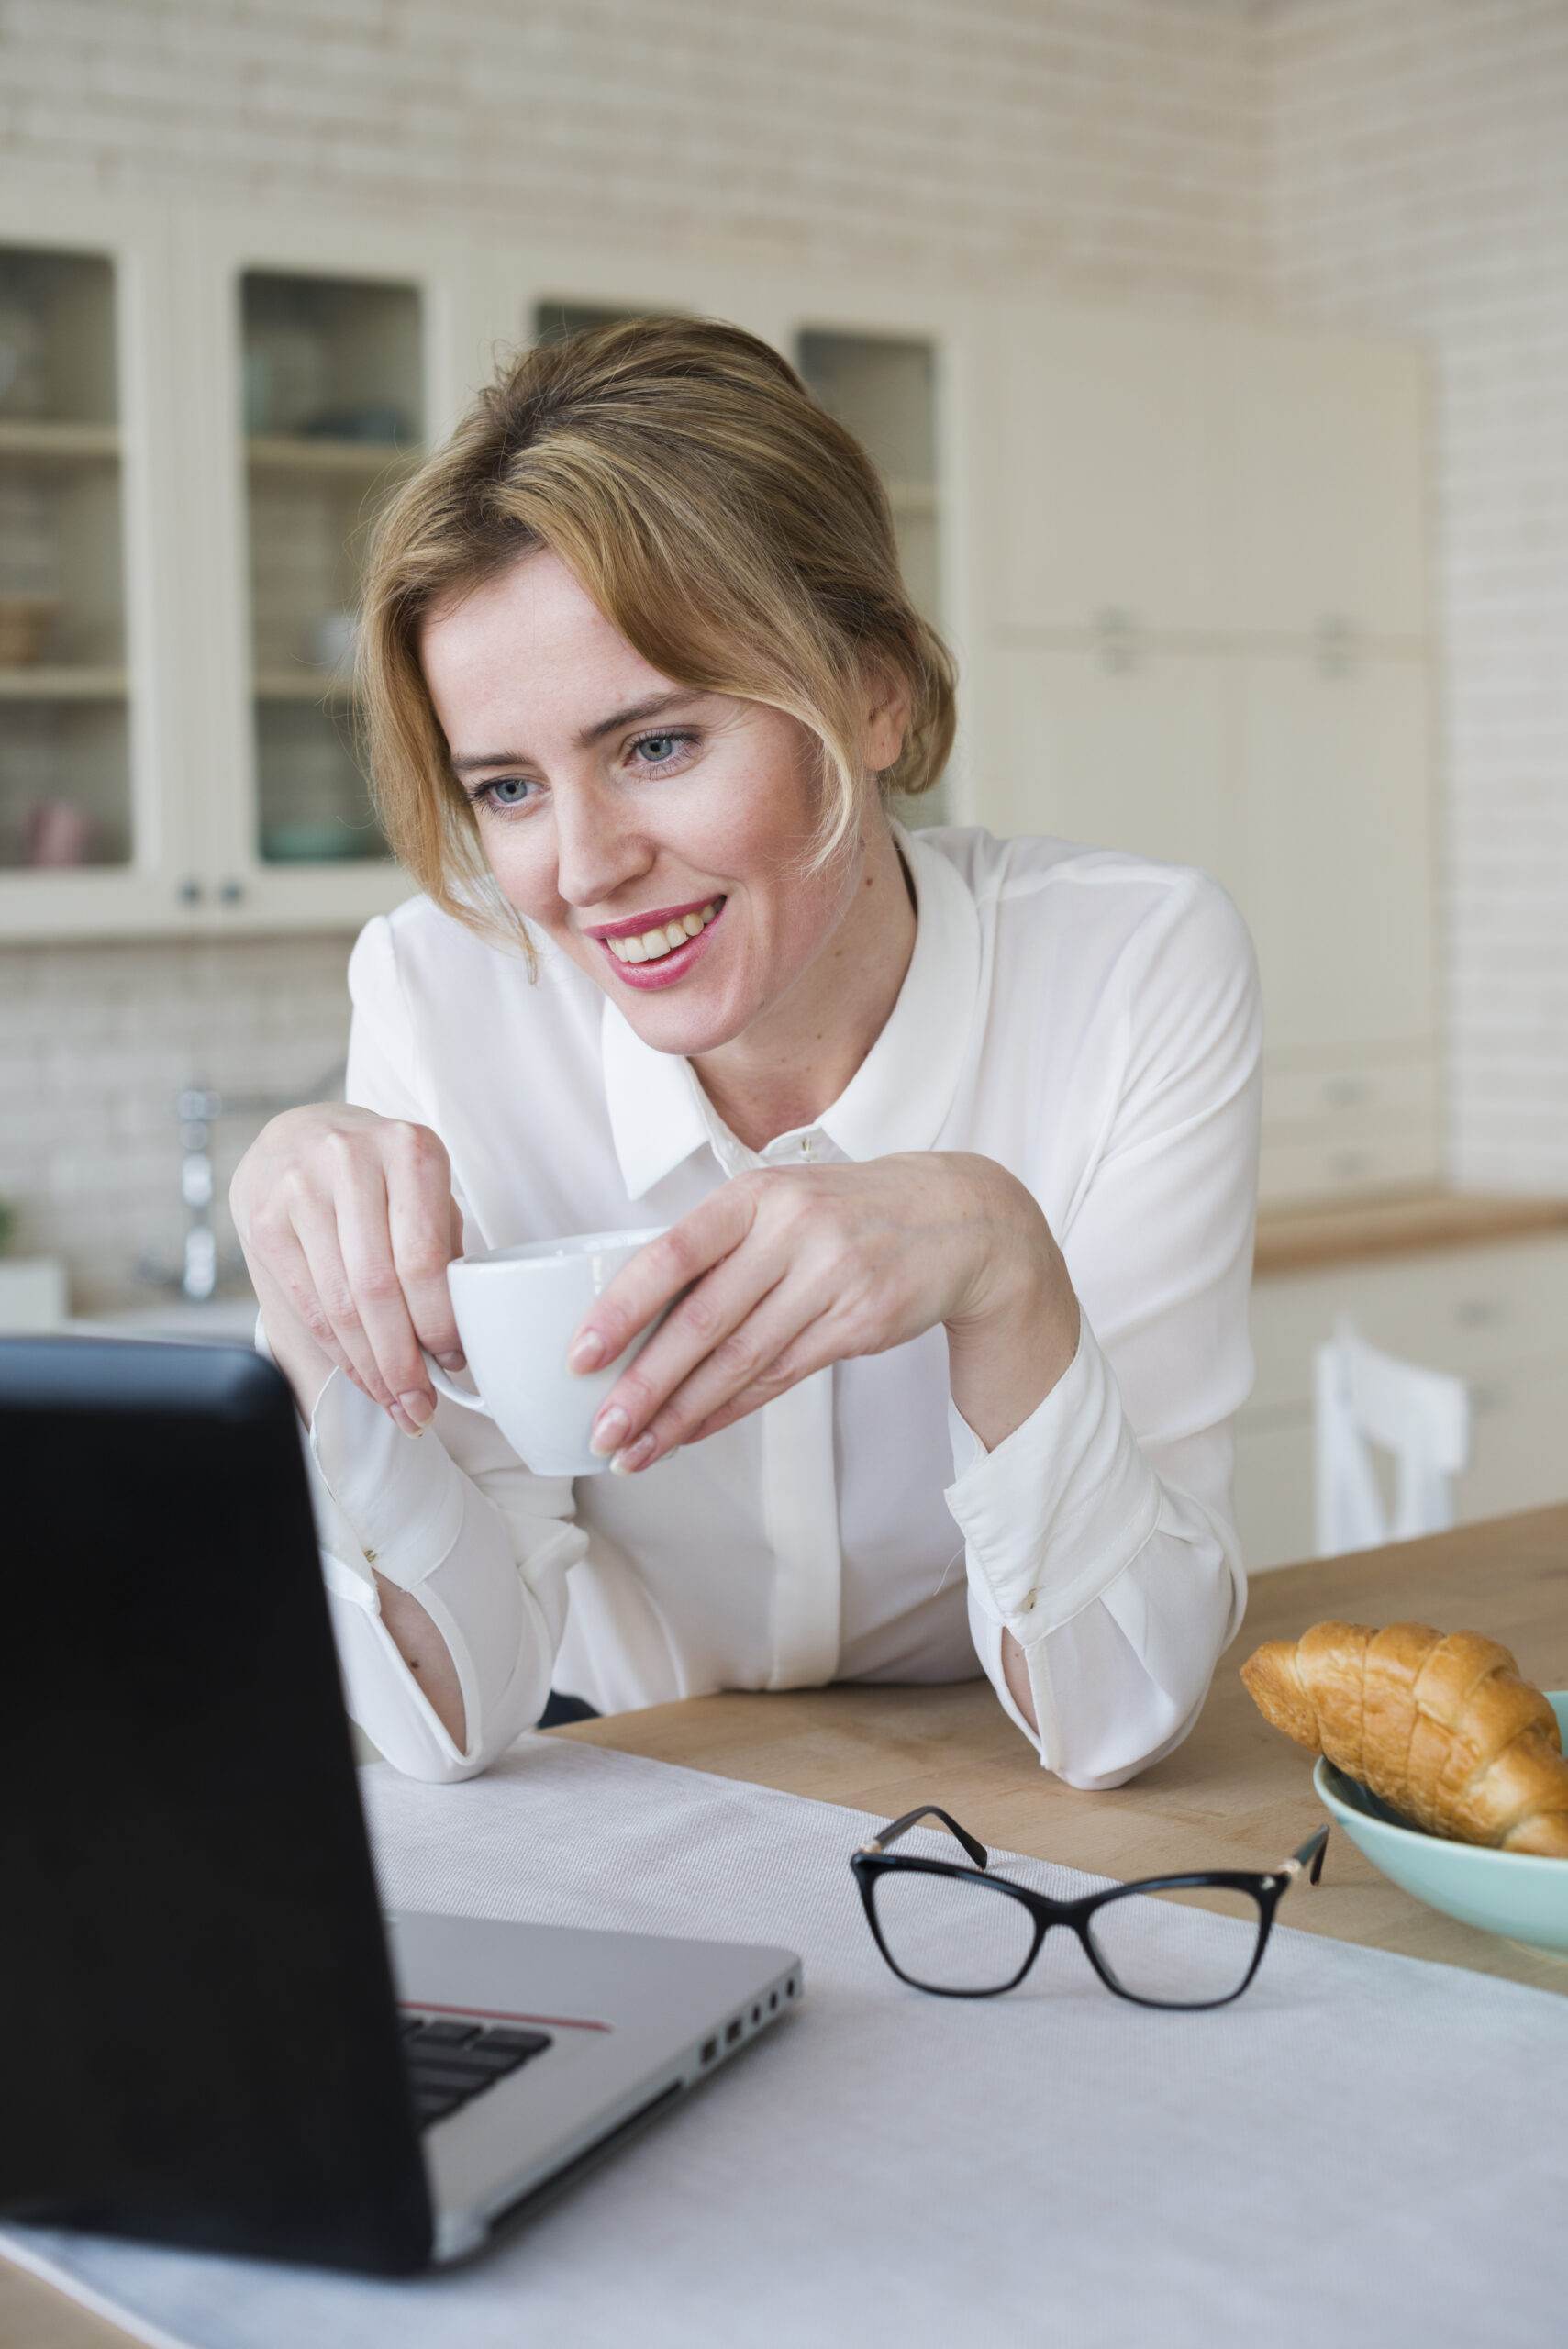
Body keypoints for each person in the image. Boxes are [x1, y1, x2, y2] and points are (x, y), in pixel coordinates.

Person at [231, 318, 1261, 1792]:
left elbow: (1116, 1720)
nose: (583, 871)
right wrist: (314, 1315)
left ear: (874, 693)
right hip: (624, 1777)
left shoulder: (1131, 967)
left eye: (655, 746)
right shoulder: (442, 992)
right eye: (508, 787)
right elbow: (448, 1725)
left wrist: (1000, 1262)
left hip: (992, 1791)